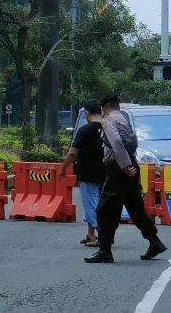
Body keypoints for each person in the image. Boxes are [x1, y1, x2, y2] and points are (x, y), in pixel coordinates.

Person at [85, 95, 167, 263]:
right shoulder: (124, 120)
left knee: (105, 208)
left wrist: (124, 165)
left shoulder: (108, 121)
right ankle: (155, 242)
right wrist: (131, 165)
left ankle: (105, 250)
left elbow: (115, 142)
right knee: (136, 208)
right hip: (131, 164)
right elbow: (133, 143)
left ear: (104, 109)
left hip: (119, 167)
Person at [58, 100, 106, 247]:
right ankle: (91, 235)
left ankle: (103, 236)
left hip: (88, 173)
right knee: (99, 204)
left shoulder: (85, 130)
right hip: (105, 173)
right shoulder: (108, 129)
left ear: (87, 113)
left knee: (90, 204)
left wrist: (62, 168)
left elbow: (72, 153)